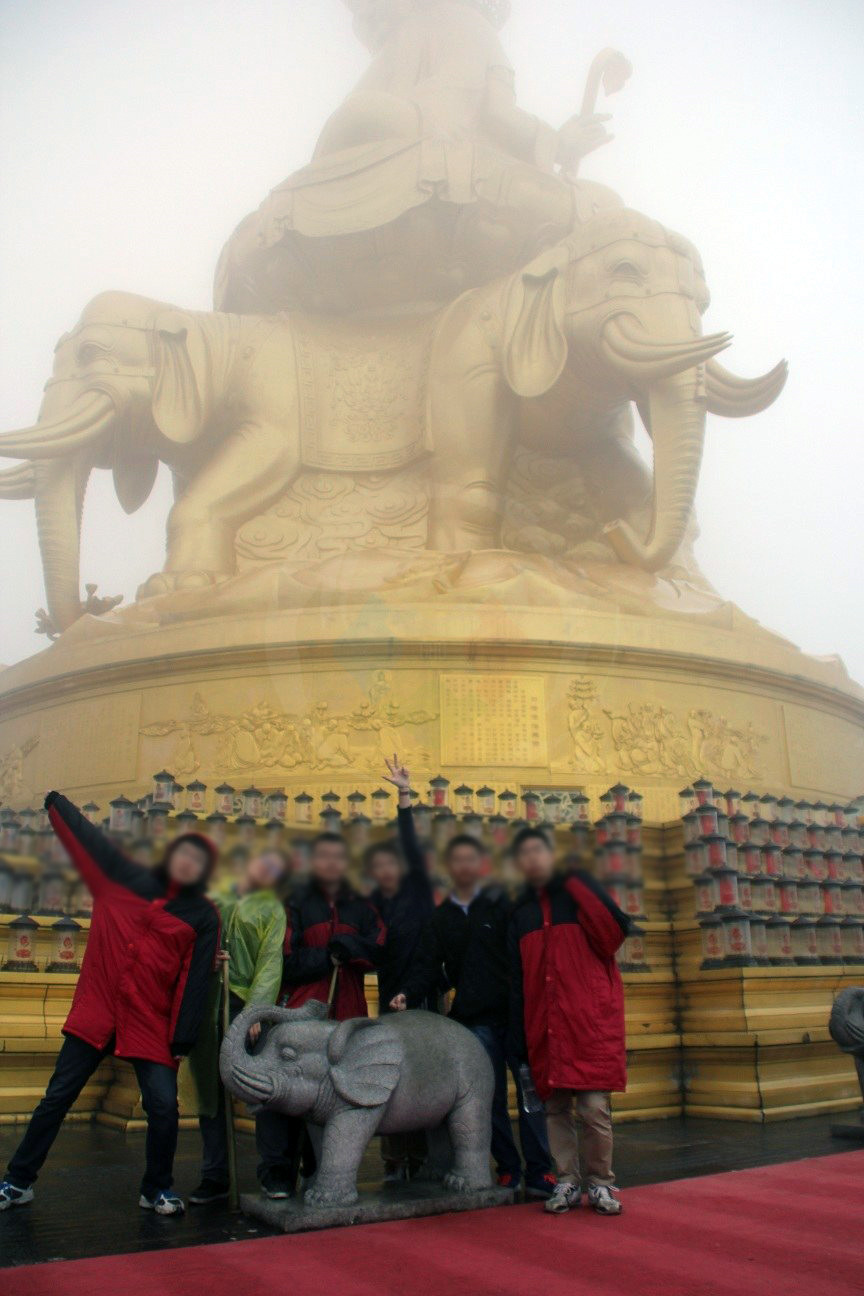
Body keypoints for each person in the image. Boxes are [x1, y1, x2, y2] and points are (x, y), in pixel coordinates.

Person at [0, 792, 219, 1217]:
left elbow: (194, 983)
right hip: (98, 1011)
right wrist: (57, 806)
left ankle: (155, 1188)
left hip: (150, 1022)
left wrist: (183, 1040)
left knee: (162, 1107)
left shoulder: (202, 914)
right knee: (56, 1097)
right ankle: (18, 1181)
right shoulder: (120, 876)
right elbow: (88, 840)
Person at [390, 830, 555, 1199]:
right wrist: (406, 992)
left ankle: (541, 1170)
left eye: (471, 859)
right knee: (487, 1098)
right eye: (457, 860)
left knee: (531, 1095)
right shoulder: (442, 917)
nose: (465, 866)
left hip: (517, 1015)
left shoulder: (502, 904)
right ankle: (508, 1168)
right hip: (475, 1021)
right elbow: (428, 965)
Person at [255, 831, 386, 1198]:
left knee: (330, 1098)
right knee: (283, 1093)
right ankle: (277, 1170)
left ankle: (322, 1168)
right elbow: (284, 960)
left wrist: (351, 949)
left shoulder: (361, 905)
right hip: (301, 1014)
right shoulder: (295, 902)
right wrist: (325, 955)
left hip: (346, 1018)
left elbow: (379, 948)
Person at [508, 827, 628, 1216]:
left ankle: (601, 1184)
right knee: (556, 1110)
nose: (532, 860)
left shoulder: (580, 895)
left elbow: (612, 936)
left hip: (587, 1023)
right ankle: (566, 1180)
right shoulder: (521, 912)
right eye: (524, 854)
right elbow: (517, 978)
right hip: (545, 1026)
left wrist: (576, 880)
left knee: (594, 1109)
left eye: (538, 851)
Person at [188, 847, 290, 1205]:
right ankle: (214, 1174)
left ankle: (272, 1169)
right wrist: (207, 958)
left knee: (262, 1089)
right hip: (210, 1000)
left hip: (244, 1005)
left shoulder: (271, 909)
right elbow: (191, 942)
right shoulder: (215, 901)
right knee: (209, 1093)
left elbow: (269, 962)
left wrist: (255, 1013)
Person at [366, 755, 437, 1180]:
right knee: (391, 1077)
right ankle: (393, 1157)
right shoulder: (376, 906)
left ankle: (424, 1156)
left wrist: (404, 797)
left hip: (423, 995)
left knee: (428, 1075)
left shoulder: (420, 892)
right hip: (390, 1000)